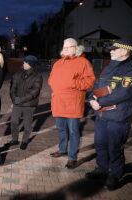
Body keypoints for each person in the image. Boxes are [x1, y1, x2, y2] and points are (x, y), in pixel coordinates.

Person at [86, 40, 132, 190]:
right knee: (100, 145)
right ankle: (102, 170)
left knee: (114, 147)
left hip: (118, 117)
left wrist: (100, 101)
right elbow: (97, 85)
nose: (111, 51)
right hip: (102, 116)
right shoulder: (109, 67)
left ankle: (115, 175)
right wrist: (91, 98)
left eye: (114, 49)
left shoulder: (131, 70)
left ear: (124, 51)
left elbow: (125, 93)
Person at [48, 38, 95, 169]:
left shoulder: (83, 62)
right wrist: (55, 86)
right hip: (58, 102)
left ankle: (72, 157)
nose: (66, 49)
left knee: (74, 131)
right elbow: (51, 79)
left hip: (73, 104)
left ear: (76, 48)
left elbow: (90, 81)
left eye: (69, 47)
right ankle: (62, 149)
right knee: (61, 129)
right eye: (65, 46)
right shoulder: (58, 63)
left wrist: (74, 83)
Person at [9, 55, 43, 150]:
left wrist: (21, 99)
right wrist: (14, 98)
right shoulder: (18, 74)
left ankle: (24, 141)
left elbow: (34, 92)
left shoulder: (37, 76)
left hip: (29, 104)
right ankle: (15, 139)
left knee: (27, 124)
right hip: (17, 103)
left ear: (31, 64)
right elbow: (12, 88)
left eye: (26, 62)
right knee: (14, 122)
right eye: (24, 62)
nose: (23, 64)